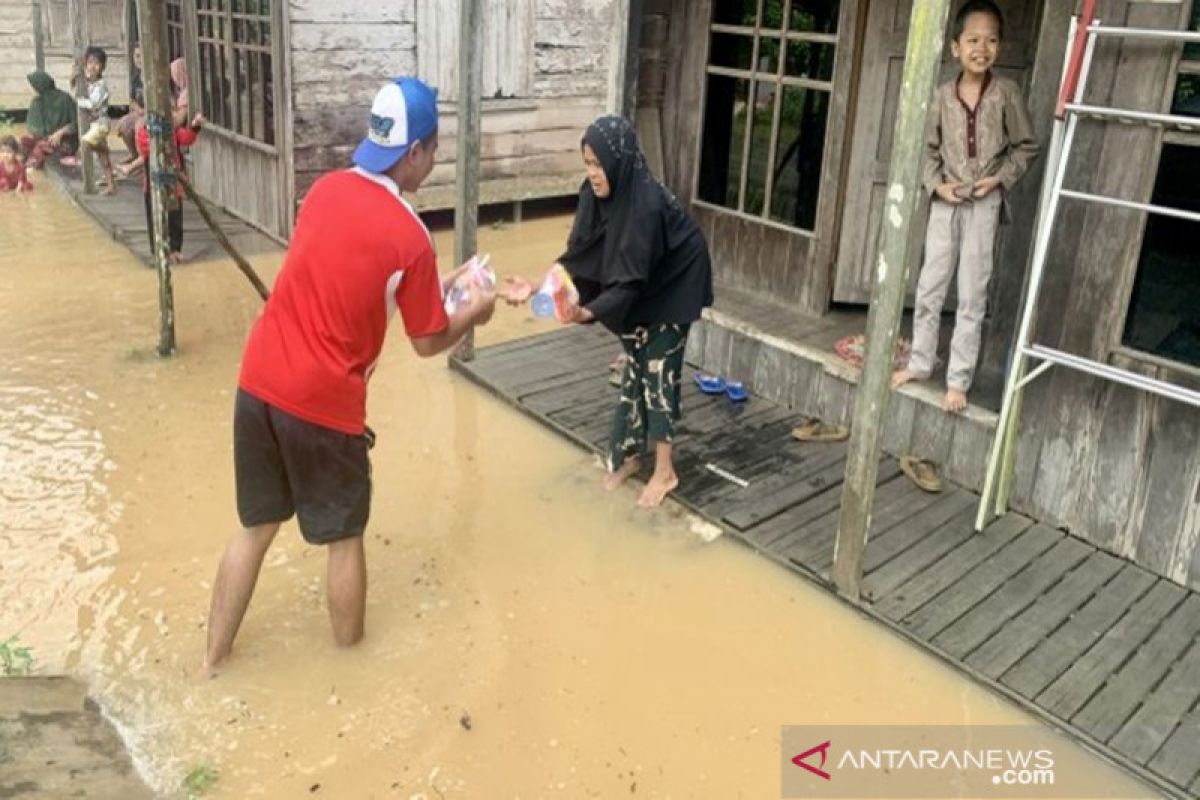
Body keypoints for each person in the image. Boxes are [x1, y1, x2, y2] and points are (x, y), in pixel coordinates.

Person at [203, 77, 498, 671]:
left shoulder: (323, 191)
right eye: (434, 150)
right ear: (413, 152)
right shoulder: (411, 237)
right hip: (323, 403)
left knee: (254, 528)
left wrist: (449, 289)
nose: (434, 161)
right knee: (344, 539)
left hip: (257, 380)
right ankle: (351, 670)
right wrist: (477, 309)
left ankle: (210, 663)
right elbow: (426, 340)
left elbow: (361, 288)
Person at [551, 115, 714, 508]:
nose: (592, 173)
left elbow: (628, 285)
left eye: (598, 164)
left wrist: (587, 312)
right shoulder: (592, 194)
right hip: (639, 274)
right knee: (636, 358)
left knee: (658, 367)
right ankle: (629, 455)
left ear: (618, 160)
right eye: (587, 163)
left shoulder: (646, 204)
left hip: (676, 277)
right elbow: (579, 251)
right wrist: (549, 282)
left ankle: (665, 471)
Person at [892, 0, 1038, 412]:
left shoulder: (1006, 94)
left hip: (985, 206)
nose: (982, 47)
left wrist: (1000, 179)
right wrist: (937, 187)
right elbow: (926, 150)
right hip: (946, 204)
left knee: (972, 293)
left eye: (991, 40)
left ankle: (958, 380)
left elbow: (1027, 147)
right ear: (955, 47)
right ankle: (920, 363)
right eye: (973, 39)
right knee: (930, 287)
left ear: (999, 48)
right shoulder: (941, 96)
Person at [136, 111, 202, 263]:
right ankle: (158, 250)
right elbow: (146, 149)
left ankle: (175, 249)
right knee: (154, 215)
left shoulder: (174, 131)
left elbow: (187, 139)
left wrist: (195, 126)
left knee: (175, 215)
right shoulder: (144, 133)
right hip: (153, 182)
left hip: (173, 180)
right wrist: (163, 137)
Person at [72, 45, 118, 195]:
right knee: (103, 158)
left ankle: (103, 149)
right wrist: (73, 77)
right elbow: (75, 88)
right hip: (94, 124)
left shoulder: (101, 86)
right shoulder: (86, 82)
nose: (93, 66)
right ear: (86, 63)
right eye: (90, 62)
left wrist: (78, 101)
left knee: (85, 144)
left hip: (101, 123)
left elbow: (92, 104)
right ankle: (111, 186)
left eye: (97, 63)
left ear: (102, 67)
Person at [20, 70, 77, 169]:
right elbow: (33, 129)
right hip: (44, 140)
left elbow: (78, 123)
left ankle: (35, 162)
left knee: (40, 147)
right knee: (23, 141)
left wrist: (61, 132)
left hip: (65, 142)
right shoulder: (37, 101)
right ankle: (20, 169)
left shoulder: (65, 99)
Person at [114, 43, 145, 177]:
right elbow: (132, 100)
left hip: (149, 113)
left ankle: (142, 159)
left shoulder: (151, 78)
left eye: (141, 56)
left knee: (139, 127)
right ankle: (134, 154)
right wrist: (136, 109)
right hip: (139, 112)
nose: (138, 60)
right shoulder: (136, 78)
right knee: (123, 125)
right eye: (136, 56)